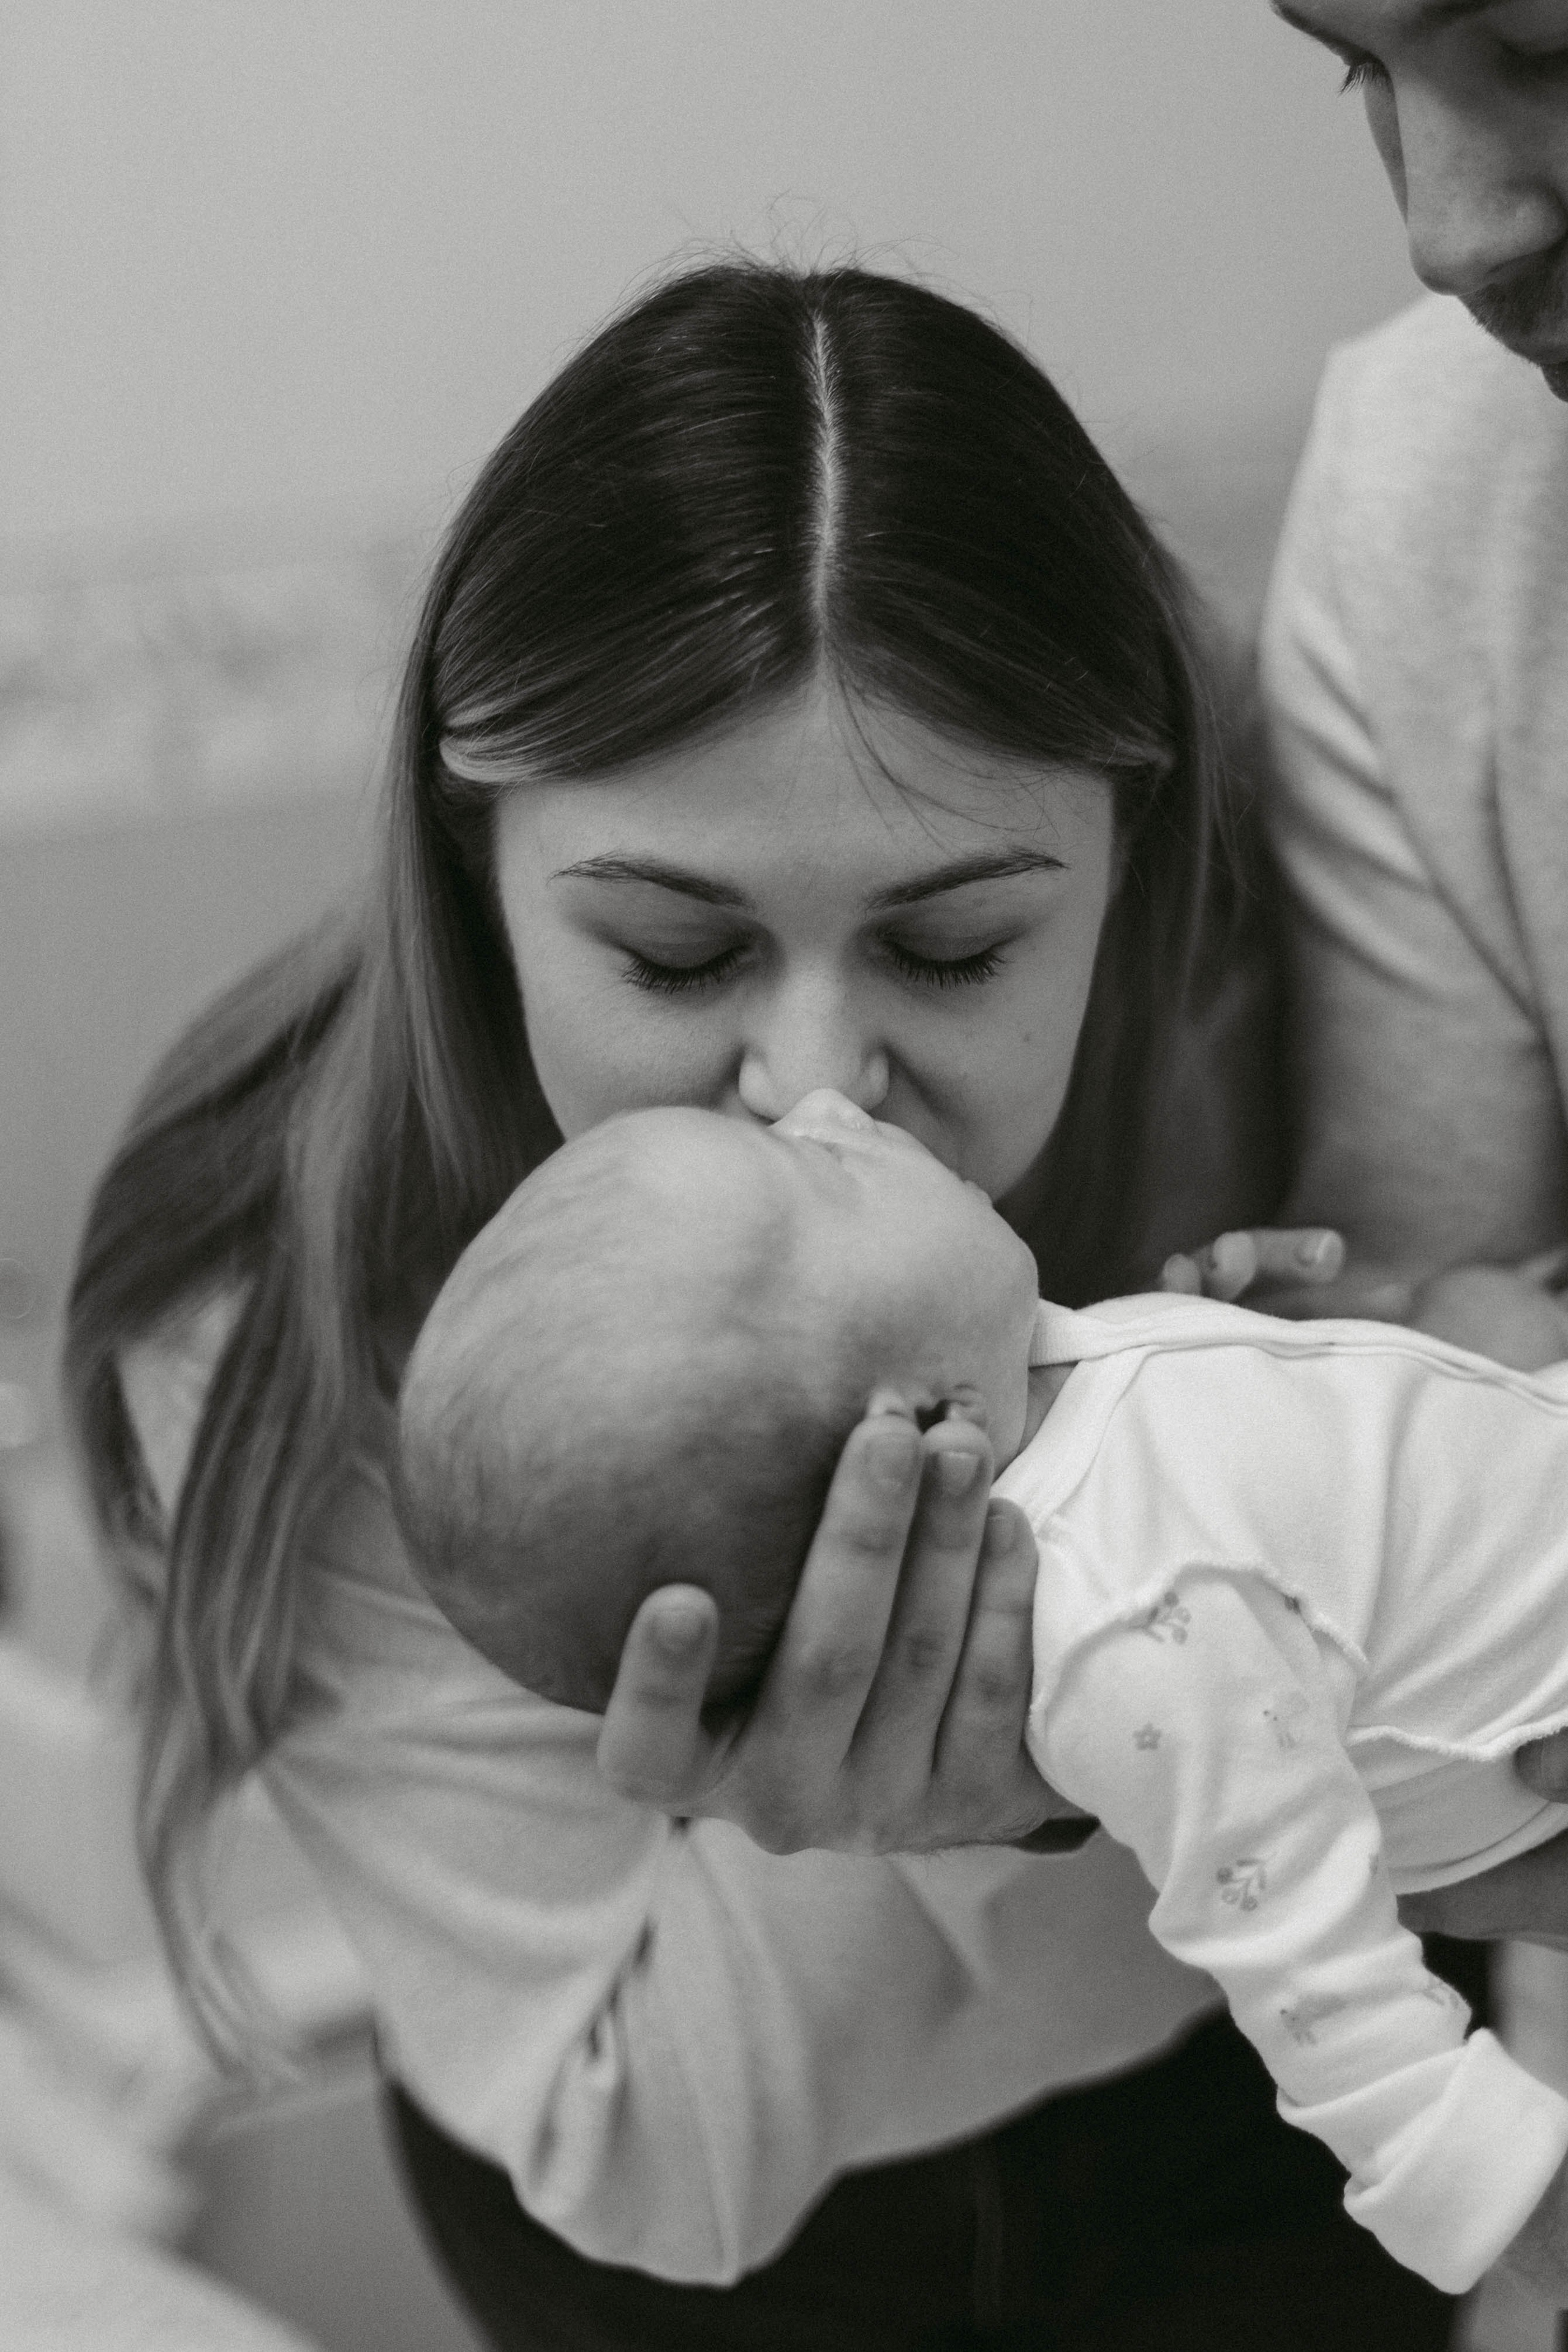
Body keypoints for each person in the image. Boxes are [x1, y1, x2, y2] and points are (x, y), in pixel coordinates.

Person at [62, 260, 1458, 2348]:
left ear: (1136, 852)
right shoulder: (280, 1325)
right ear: (475, 873)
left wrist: (1334, 1463)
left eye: (961, 952)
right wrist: (953, 1789)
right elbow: (651, 2142)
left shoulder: (1290, 1003)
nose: (818, 1085)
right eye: (676, 958)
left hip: (1257, 2124)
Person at [394, 1083, 1568, 2297]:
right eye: (817, 1175)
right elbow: (1328, 1995)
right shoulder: (1132, 1631)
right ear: (906, 1430)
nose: (828, 1104)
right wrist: (1494, 2198)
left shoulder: (1033, 1380)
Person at [1154, 1, 1568, 1953]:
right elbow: (1463, 1382)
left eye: (1548, 40)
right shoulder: (1436, 485)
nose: (1453, 229)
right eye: (1363, 70)